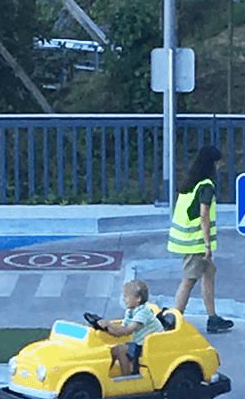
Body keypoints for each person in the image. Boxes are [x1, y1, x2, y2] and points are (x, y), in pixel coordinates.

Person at [167, 144, 234, 333]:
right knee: (189, 279)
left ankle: (212, 317)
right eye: (218, 162)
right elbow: (204, 215)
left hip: (187, 239)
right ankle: (174, 318)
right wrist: (207, 245)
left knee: (208, 274)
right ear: (212, 163)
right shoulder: (206, 186)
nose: (220, 165)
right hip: (195, 243)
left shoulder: (190, 183)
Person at [98, 280, 163, 376]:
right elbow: (121, 330)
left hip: (151, 347)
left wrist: (109, 325)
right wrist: (106, 329)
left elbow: (128, 330)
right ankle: (106, 375)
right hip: (139, 343)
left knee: (120, 350)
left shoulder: (143, 312)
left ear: (138, 298)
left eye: (126, 296)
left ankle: (127, 377)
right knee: (111, 349)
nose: (124, 299)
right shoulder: (130, 311)